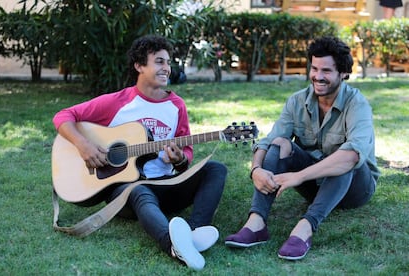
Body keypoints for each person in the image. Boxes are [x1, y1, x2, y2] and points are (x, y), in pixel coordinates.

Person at [52, 34, 227, 271]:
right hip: (127, 194)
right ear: (139, 66)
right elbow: (63, 116)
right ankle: (173, 245)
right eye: (159, 62)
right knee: (139, 189)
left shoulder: (176, 106)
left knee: (215, 169)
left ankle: (195, 232)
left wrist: (180, 159)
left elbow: (186, 152)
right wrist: (85, 145)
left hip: (168, 184)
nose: (167, 68)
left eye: (168, 62)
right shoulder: (117, 102)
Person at [225, 36, 380, 260]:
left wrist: (299, 176)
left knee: (345, 157)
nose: (318, 76)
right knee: (279, 145)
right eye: (314, 68)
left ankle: (305, 227)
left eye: (326, 70)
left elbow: (352, 156)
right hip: (315, 186)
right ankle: (257, 223)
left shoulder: (357, 104)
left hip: (354, 189)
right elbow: (269, 141)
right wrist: (256, 169)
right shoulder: (297, 101)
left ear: (343, 73)